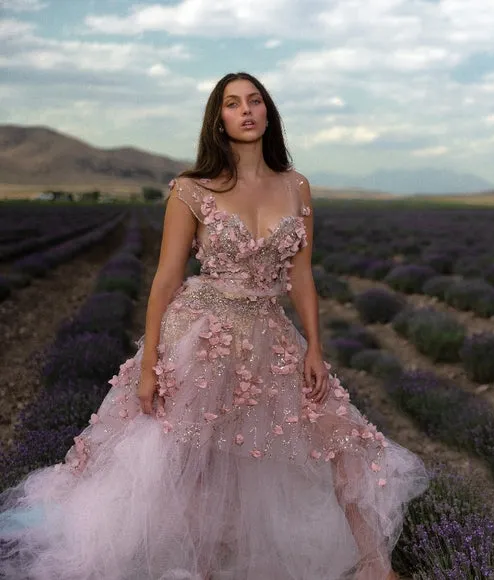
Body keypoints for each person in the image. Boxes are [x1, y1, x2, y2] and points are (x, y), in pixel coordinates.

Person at [0, 72, 429, 580]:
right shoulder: (190, 189)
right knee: (191, 460)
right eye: (232, 103)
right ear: (218, 118)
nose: (245, 110)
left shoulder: (296, 186)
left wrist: (315, 346)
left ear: (268, 113)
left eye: (254, 101)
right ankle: (195, 564)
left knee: (343, 437)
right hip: (201, 333)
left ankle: (376, 569)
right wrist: (150, 363)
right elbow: (166, 278)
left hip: (269, 332)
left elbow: (302, 274)